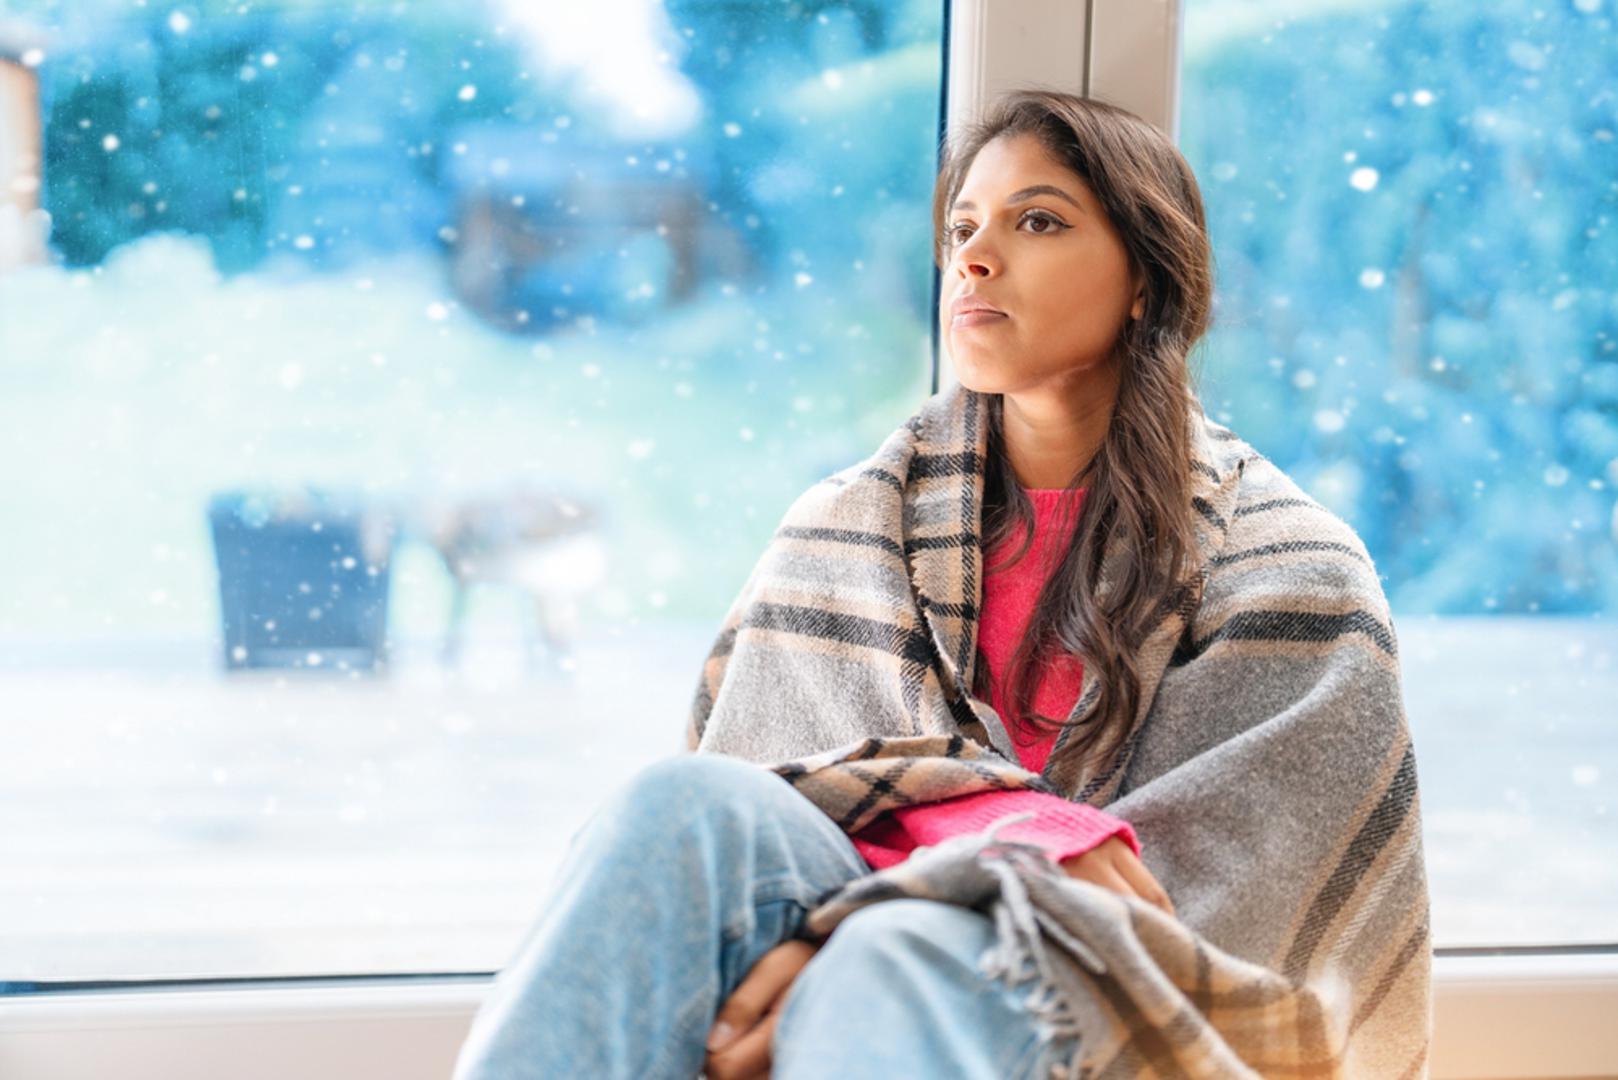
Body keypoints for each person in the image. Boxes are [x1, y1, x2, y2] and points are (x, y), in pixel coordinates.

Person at [453, 89, 1430, 1080]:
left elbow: (1208, 936)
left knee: (893, 954)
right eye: (962, 226)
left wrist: (877, 919)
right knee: (679, 809)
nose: (972, 256)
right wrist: (1013, 829)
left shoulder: (1297, 576)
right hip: (872, 954)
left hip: (1101, 1033)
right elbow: (770, 812)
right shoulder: (842, 532)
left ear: (1146, 278)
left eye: (1036, 221)